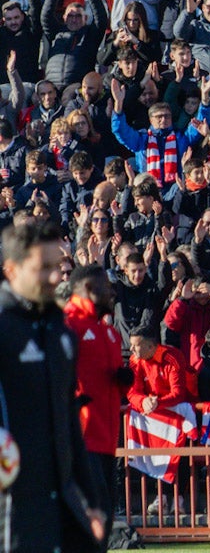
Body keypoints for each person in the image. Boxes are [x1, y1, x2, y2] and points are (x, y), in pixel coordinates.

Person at [0, 222, 107, 551]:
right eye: (41, 268)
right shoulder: (3, 330)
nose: (54, 277)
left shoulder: (61, 334)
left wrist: (91, 500)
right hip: (11, 510)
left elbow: (68, 420)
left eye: (57, 267)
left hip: (62, 506)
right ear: (12, 270)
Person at [62, 263, 130, 544]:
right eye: (106, 286)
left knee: (104, 516)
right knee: (87, 518)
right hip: (80, 437)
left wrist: (126, 379)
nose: (112, 292)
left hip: (106, 438)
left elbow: (115, 384)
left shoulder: (110, 334)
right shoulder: (66, 325)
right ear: (89, 288)